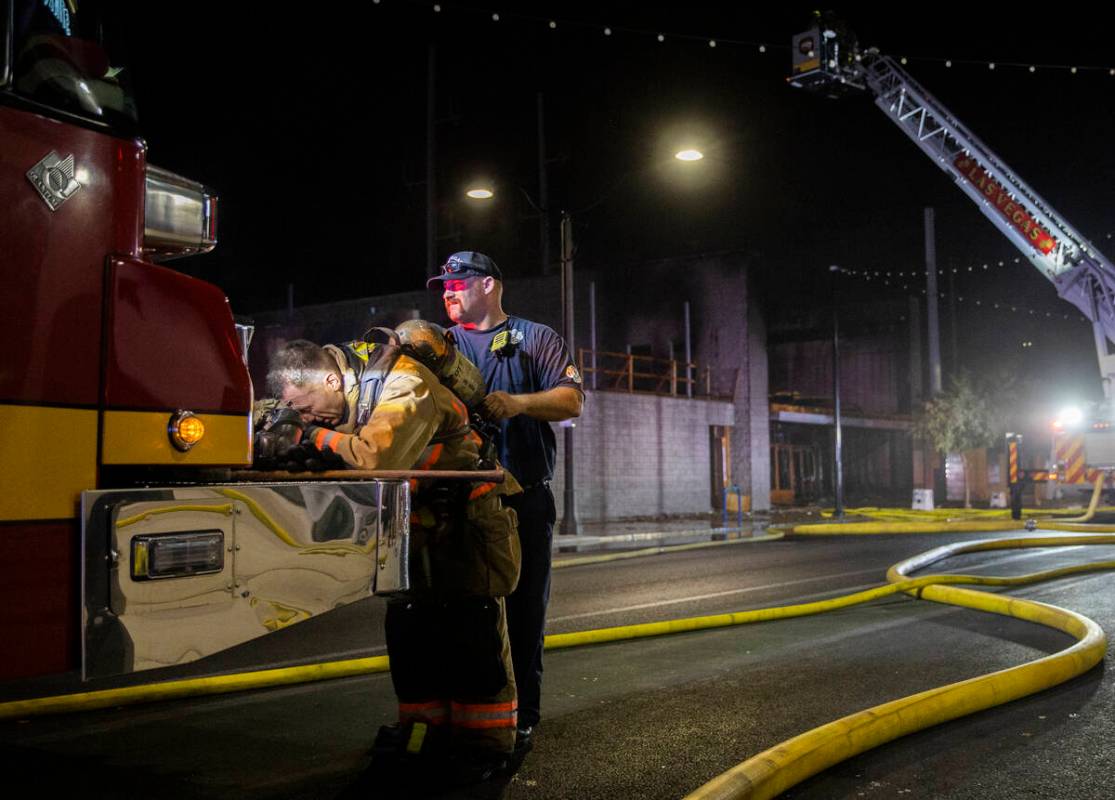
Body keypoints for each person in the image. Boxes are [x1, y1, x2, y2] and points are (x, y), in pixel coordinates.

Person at [262, 336, 522, 784]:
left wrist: (315, 437)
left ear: (329, 378)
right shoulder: (353, 395)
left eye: (304, 407)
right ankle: (424, 734)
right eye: (298, 414)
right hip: (416, 530)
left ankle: (486, 746)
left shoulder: (405, 382)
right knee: (412, 637)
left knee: (471, 636)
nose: (304, 418)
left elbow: (376, 458)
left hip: (468, 526)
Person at [427, 251, 584, 751]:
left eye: (459, 283)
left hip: (523, 502)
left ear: (490, 285)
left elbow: (572, 399)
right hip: (452, 502)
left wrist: (518, 404)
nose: (448, 292)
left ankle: (521, 720)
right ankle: (462, 718)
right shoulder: (439, 345)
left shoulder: (535, 338)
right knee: (452, 613)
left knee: (522, 615)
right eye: (444, 286)